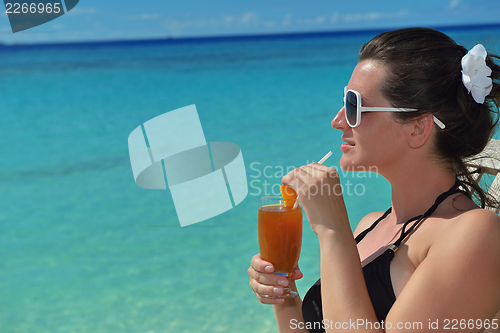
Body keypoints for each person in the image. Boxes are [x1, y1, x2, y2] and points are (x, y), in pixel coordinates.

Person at [248, 27, 500, 332]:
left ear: (418, 129)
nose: (337, 120)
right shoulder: (370, 226)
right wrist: (283, 294)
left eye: (354, 106)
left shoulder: (475, 233)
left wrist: (332, 230)